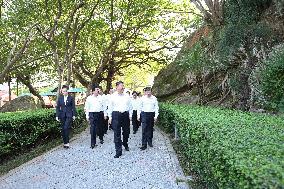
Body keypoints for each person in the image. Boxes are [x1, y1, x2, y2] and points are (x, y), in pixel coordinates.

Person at [108, 81, 132, 158]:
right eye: (121, 86)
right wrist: (110, 117)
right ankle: (118, 151)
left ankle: (125, 143)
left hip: (125, 114)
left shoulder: (127, 96)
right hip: (116, 115)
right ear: (117, 87)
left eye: (123, 86)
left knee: (126, 132)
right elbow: (110, 107)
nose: (123, 87)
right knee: (117, 133)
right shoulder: (113, 96)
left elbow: (130, 106)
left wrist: (130, 115)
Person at [85, 84, 107, 148]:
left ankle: (101, 138)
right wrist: (87, 116)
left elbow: (104, 106)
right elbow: (87, 107)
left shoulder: (101, 97)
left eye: (98, 89)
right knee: (93, 129)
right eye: (97, 89)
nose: (98, 90)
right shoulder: (89, 98)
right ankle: (93, 143)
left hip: (100, 114)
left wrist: (105, 114)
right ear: (93, 91)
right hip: (92, 114)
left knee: (100, 127)